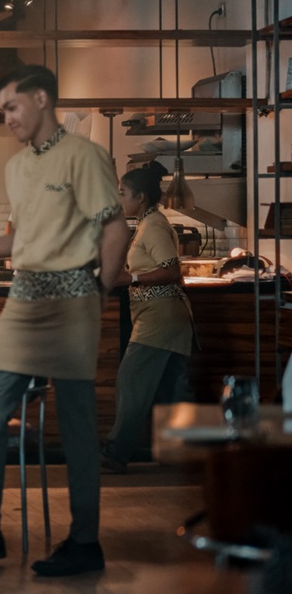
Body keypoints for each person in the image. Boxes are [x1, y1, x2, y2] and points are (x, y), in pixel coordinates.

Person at [0, 65, 129, 577]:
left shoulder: (85, 156)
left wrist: (100, 288)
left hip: (73, 295)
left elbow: (116, 228)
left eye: (12, 107)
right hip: (23, 298)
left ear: (41, 99)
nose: (7, 118)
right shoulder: (16, 168)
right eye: (2, 111)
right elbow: (21, 238)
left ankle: (85, 542)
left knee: (78, 426)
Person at [101, 163, 193, 474]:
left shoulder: (153, 225)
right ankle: (178, 454)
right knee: (171, 391)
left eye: (123, 194)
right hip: (163, 318)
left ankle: (117, 450)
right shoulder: (145, 222)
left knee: (132, 381)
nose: (120, 199)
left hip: (160, 318)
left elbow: (171, 270)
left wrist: (130, 279)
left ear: (140, 196)